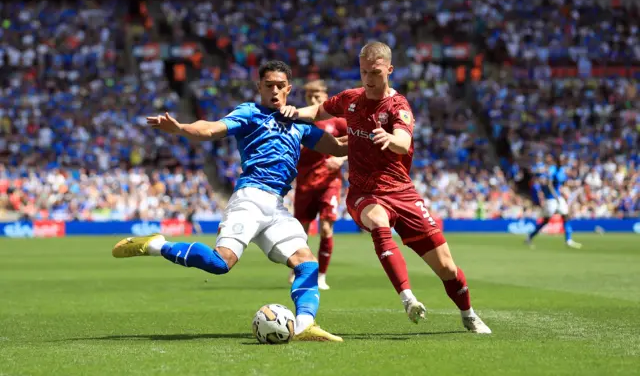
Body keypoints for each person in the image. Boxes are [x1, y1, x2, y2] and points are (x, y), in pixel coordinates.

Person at [112, 60, 345, 342]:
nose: (274, 91)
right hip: (250, 198)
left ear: (289, 89)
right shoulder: (250, 113)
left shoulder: (298, 124)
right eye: (268, 85)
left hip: (277, 207)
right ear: (258, 86)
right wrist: (182, 129)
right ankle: (157, 245)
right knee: (220, 263)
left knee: (306, 263)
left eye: (280, 86)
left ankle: (305, 323)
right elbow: (211, 129)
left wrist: (373, 134)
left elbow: (339, 145)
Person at [281, 42, 491, 334]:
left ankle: (468, 313)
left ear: (389, 70)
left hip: (402, 192)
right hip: (364, 193)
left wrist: (390, 139)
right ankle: (408, 298)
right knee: (378, 221)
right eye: (364, 71)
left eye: (375, 72)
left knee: (447, 269)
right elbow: (319, 110)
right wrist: (293, 112)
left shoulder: (398, 106)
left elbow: (403, 141)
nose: (368, 78)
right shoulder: (350, 99)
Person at [289, 80, 347, 290]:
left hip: (329, 183)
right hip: (305, 184)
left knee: (325, 228)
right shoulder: (300, 121)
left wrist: (340, 159)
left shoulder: (337, 122)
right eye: (309, 96)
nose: (313, 100)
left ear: (325, 96)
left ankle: (321, 275)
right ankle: (299, 269)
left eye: (317, 96)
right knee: (300, 231)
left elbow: (357, 141)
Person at [526, 155, 582, 249]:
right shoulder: (552, 169)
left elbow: (561, 184)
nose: (563, 161)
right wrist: (556, 196)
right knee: (546, 221)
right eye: (562, 160)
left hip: (557, 198)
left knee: (566, 217)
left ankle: (568, 240)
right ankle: (530, 237)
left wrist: (572, 185)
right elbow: (549, 184)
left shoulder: (561, 170)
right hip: (551, 199)